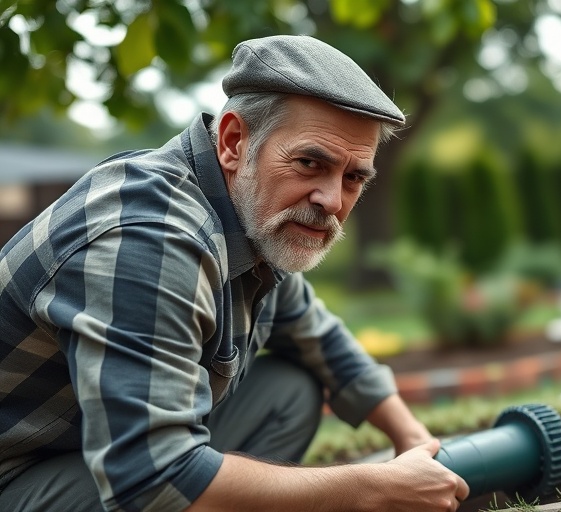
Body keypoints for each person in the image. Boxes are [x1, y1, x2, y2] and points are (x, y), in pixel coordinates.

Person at [0, 35, 470, 511]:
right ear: (233, 142)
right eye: (310, 163)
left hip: (84, 451)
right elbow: (153, 478)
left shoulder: (254, 218)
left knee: (287, 391)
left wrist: (414, 441)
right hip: (17, 475)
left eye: (353, 178)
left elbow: (321, 338)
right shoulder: (148, 238)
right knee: (171, 486)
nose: (331, 200)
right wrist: (375, 488)